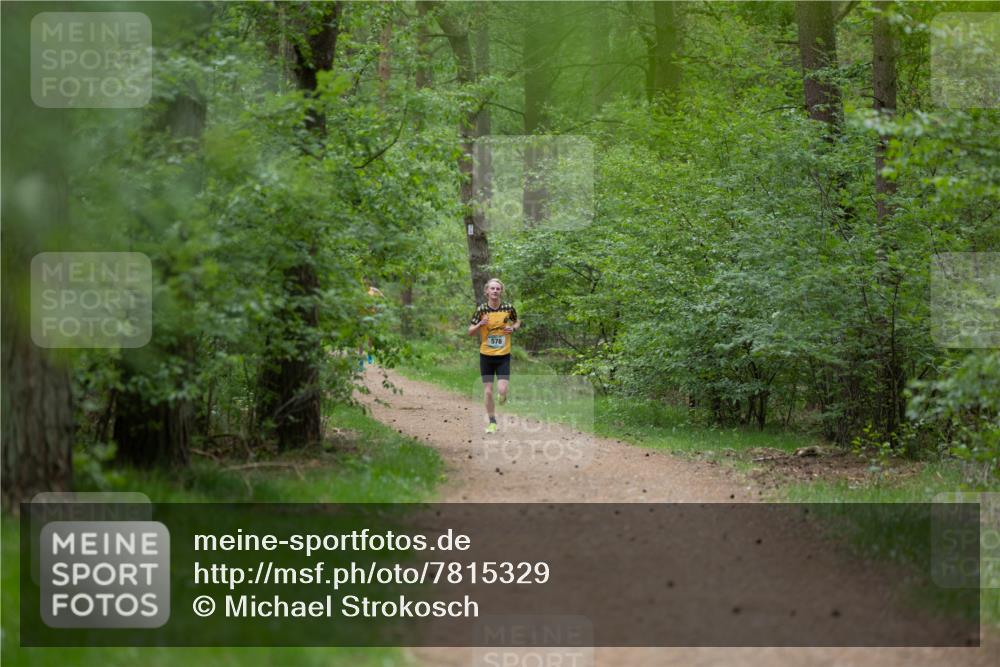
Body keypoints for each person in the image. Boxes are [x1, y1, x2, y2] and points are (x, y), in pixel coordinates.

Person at [468, 278, 521, 433]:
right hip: (486, 356)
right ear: (487, 291)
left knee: (502, 390)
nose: (495, 291)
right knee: (488, 391)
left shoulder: (508, 308)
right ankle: (492, 422)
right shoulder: (481, 310)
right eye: (492, 288)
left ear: (501, 291)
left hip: (503, 355)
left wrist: (513, 328)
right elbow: (470, 332)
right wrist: (480, 324)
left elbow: (517, 321)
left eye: (498, 289)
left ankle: (502, 396)